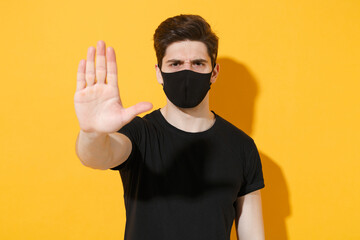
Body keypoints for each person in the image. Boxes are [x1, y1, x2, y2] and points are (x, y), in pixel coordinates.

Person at [75, 14, 265, 240]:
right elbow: (97, 156)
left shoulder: (241, 147)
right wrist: (92, 132)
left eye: (198, 63)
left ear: (213, 73)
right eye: (175, 64)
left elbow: (253, 235)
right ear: (159, 73)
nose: (187, 72)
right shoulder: (139, 133)